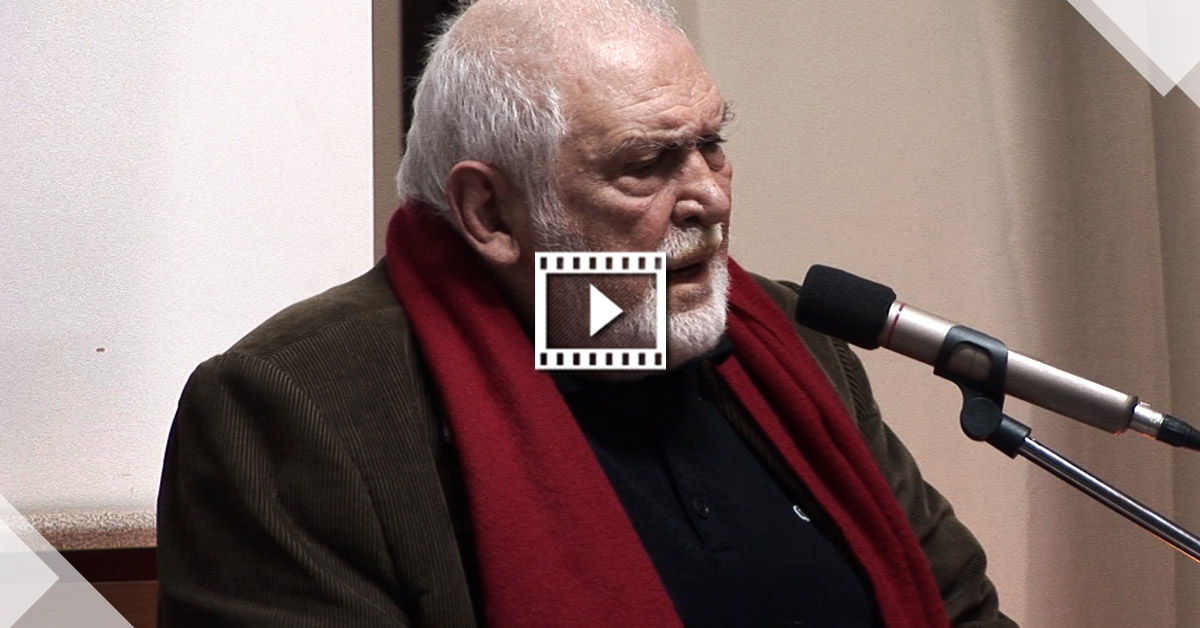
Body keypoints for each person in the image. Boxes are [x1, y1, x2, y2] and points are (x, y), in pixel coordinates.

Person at [157, 1, 1018, 626]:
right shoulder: (294, 406)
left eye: (711, 144)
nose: (710, 198)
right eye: (647, 163)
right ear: (490, 213)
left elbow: (962, 611)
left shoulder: (792, 340)